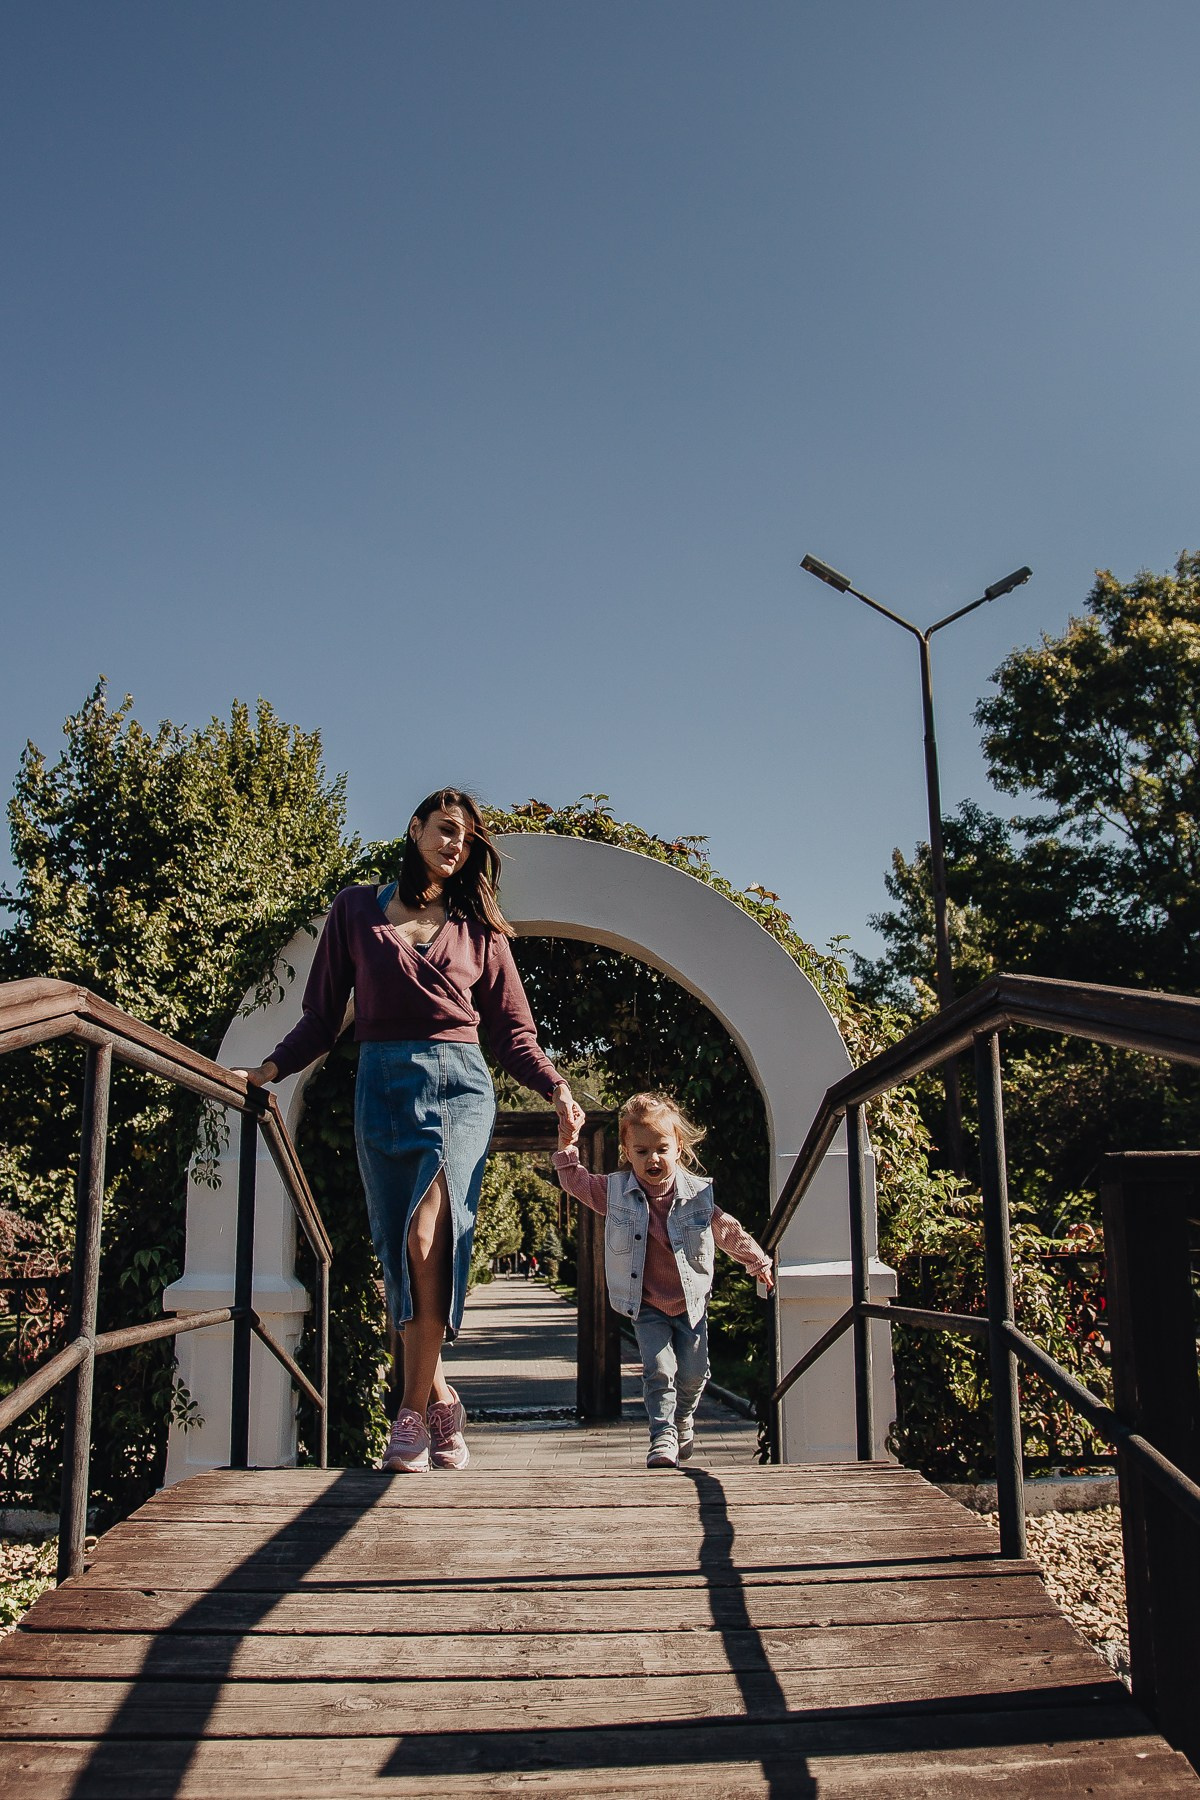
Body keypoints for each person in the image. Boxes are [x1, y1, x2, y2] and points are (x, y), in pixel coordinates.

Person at [241, 788, 584, 1474]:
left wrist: (557, 1086)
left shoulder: (479, 928)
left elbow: (514, 1034)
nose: (455, 842)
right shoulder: (354, 909)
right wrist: (269, 1070)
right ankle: (441, 1399)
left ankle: (406, 1414)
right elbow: (320, 1016)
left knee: (432, 1231)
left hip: (460, 1086)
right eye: (445, 829)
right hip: (382, 1083)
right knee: (400, 1246)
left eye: (465, 837)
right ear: (415, 828)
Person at [554, 1091, 773, 1468]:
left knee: (693, 1374)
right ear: (626, 1150)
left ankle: (683, 1418)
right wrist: (568, 1140)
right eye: (641, 1151)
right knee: (658, 1370)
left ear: (678, 1147)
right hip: (647, 1303)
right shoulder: (616, 1192)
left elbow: (727, 1230)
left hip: (689, 1303)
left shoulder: (698, 1195)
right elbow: (574, 1180)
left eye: (661, 1149)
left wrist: (758, 1262)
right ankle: (662, 1435)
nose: (652, 1159)